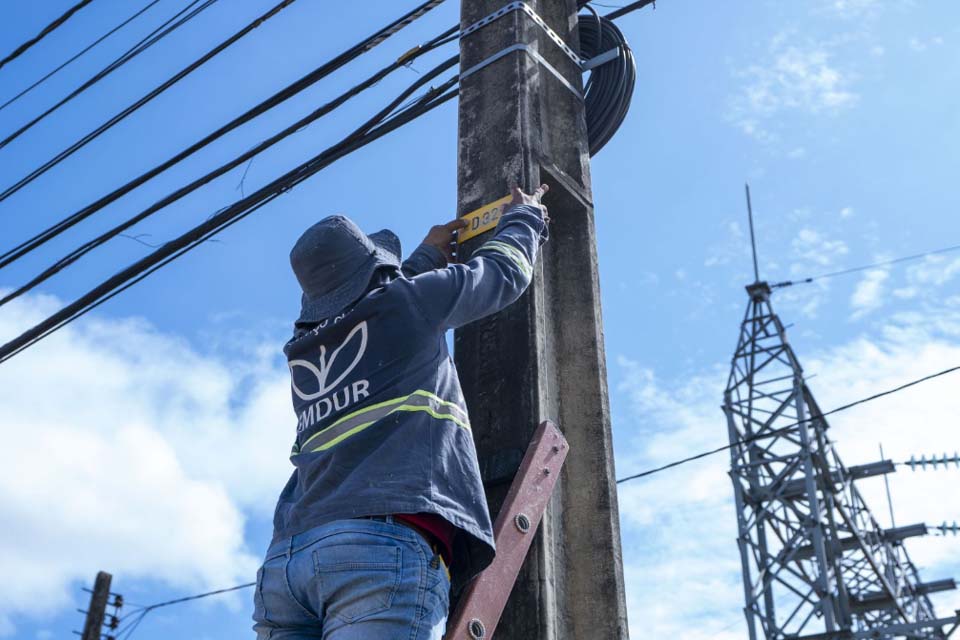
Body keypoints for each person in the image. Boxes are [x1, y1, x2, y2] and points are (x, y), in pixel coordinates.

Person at [253, 185, 550, 639]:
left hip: (288, 564)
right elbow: (503, 273)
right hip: (380, 548)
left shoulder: (305, 353)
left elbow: (386, 304)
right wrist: (525, 217)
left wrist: (427, 256)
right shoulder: (407, 304)